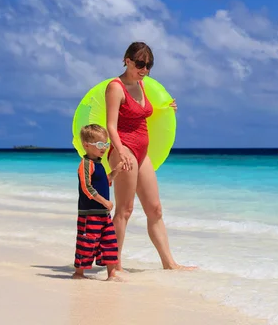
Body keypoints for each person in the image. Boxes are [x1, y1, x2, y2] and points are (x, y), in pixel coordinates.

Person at [105, 41, 195, 272]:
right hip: (123, 150)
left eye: (149, 66)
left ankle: (169, 263)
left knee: (155, 209)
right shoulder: (116, 87)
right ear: (127, 61)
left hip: (142, 152)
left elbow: (149, 112)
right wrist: (121, 150)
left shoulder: (143, 85)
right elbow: (111, 126)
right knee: (124, 210)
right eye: (140, 64)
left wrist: (168, 109)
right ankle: (114, 267)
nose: (144, 70)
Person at [72, 124, 126, 281]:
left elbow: (104, 181)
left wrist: (115, 171)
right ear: (86, 145)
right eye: (100, 144)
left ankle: (112, 274)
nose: (104, 148)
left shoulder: (99, 164)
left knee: (109, 242)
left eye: (106, 144)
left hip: (103, 214)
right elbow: (87, 188)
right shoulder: (85, 165)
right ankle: (78, 273)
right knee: (87, 243)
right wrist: (105, 202)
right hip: (90, 214)